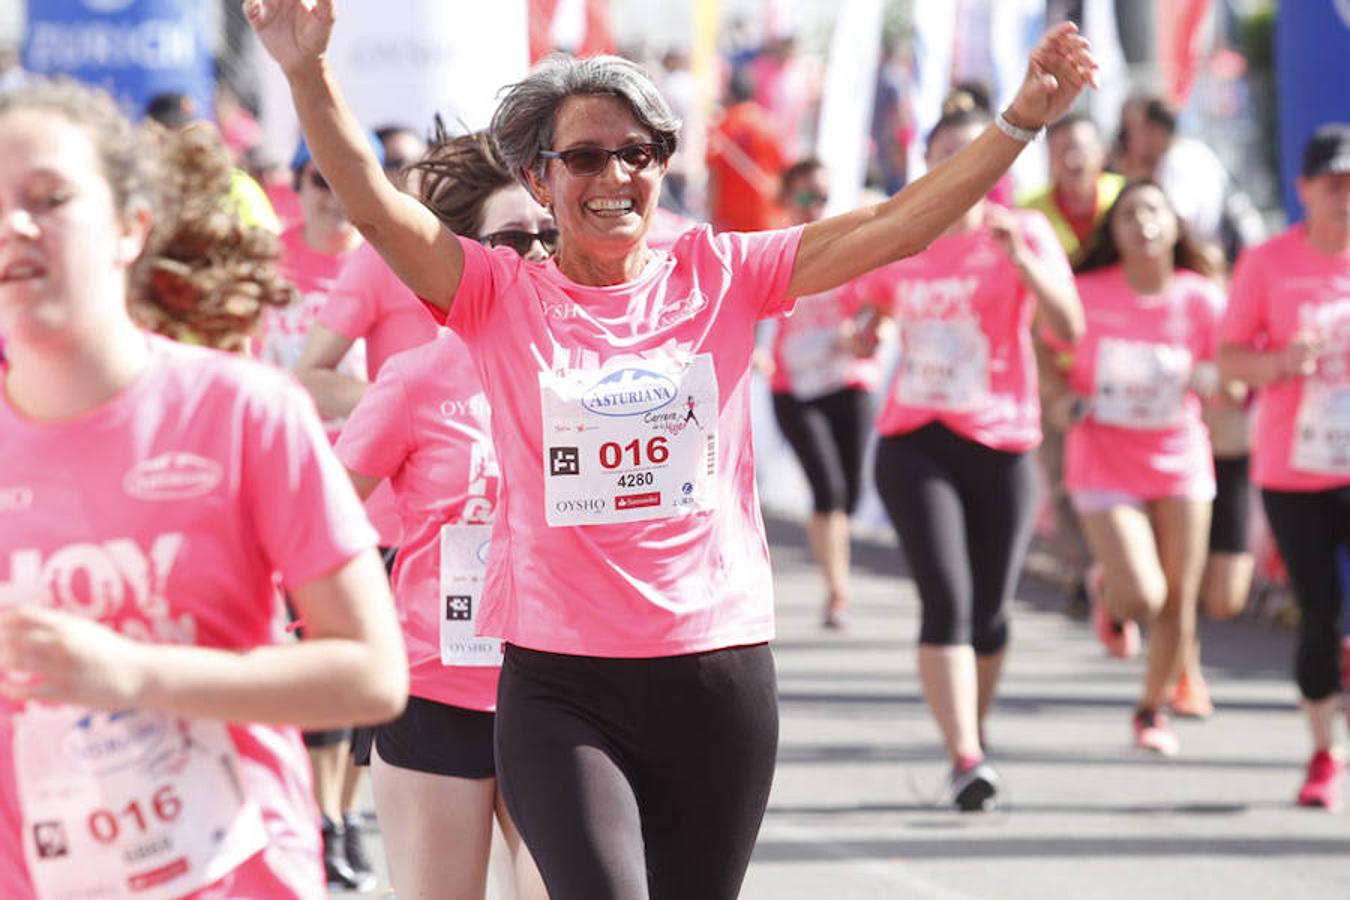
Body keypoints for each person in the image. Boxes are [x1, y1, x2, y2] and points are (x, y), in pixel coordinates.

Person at [247, 1, 1095, 893]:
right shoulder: (497, 296)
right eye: (583, 157)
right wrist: (307, 72)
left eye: (637, 153)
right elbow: (380, 215)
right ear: (541, 181)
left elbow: (898, 226)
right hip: (558, 683)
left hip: (714, 674)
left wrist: (1018, 124)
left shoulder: (722, 275)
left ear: (661, 165)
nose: (613, 175)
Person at [0, 76, 405, 898]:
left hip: (241, 875)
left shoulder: (244, 409)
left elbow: (371, 673)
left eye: (51, 198)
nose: (15, 224)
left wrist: (137, 675)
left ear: (130, 227)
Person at [335, 130, 552, 900]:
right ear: (468, 251)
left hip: (560, 693)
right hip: (437, 691)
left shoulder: (592, 373)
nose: (535, 252)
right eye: (513, 238)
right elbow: (320, 522)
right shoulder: (416, 378)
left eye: (549, 234)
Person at [848, 107, 1082, 809]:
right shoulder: (905, 236)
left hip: (1004, 440)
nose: (960, 163)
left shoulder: (1025, 232)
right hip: (915, 440)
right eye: (945, 151)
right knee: (945, 600)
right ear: (927, 164)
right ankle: (965, 754)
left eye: (973, 150)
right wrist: (867, 329)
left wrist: (1022, 261)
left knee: (990, 615)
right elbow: (873, 311)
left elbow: (1069, 330)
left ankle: (969, 732)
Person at [254, 130, 386, 891]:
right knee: (306, 650)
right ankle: (319, 819)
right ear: (296, 184)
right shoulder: (269, 259)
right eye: (315, 179)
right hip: (284, 476)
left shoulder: (383, 259)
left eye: (341, 179)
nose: (330, 197)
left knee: (363, 651)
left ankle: (341, 816)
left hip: (368, 477)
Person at [1059, 179, 1226, 757]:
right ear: (1115, 231)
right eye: (1129, 213)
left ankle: (1150, 709)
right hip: (1104, 458)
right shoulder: (1085, 291)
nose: (1143, 221)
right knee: (1144, 597)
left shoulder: (1200, 297)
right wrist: (1061, 399)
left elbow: (1229, 372)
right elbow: (1040, 344)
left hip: (1179, 455)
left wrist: (1217, 380)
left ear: (1176, 226)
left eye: (1154, 209)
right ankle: (1110, 589)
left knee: (1181, 597)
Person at [1217, 123, 1350, 810]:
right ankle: (1324, 753)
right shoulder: (1268, 263)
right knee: (1320, 613)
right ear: (1304, 189)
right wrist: (1278, 364)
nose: (1344, 198)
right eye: (1332, 185)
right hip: (1294, 467)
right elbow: (1228, 358)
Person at [767, 158, 884, 628]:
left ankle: (836, 580)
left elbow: (876, 303)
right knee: (828, 488)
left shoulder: (846, 247)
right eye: (804, 197)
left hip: (846, 379)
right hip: (794, 388)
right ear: (786, 200)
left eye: (822, 197)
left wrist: (866, 332)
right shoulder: (770, 249)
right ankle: (838, 592)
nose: (814, 206)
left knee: (850, 493)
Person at [1020, 112, 1127, 616]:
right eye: (1059, 148)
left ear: (1102, 154)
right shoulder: (1030, 215)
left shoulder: (1129, 203)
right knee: (1064, 475)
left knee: (1123, 475)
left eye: (1080, 147)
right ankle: (1085, 576)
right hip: (1058, 367)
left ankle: (1124, 572)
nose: (1070, 158)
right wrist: (1048, 380)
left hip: (1126, 367)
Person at [705, 67, 786, 233]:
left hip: (732, 222)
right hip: (766, 215)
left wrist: (712, 217)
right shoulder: (767, 123)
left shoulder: (724, 126)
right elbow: (781, 168)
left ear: (730, 93)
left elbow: (715, 176)